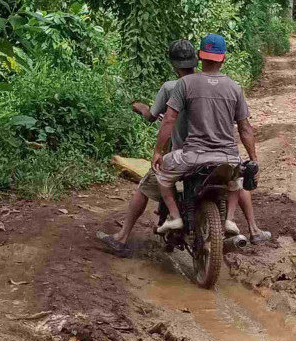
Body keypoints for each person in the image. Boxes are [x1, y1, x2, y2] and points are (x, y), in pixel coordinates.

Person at [152, 33, 270, 243]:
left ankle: (174, 216)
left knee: (162, 174)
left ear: (199, 56)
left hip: (193, 156)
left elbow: (169, 120)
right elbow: (245, 128)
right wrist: (253, 158)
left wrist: (158, 152)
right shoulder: (235, 88)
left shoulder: (185, 83)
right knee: (236, 179)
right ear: (223, 58)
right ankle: (230, 220)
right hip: (227, 156)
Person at [96, 40, 198, 254]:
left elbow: (154, 116)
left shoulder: (171, 87)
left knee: (145, 186)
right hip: (211, 152)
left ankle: (122, 238)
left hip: (182, 154)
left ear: (173, 64)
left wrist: (140, 107)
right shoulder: (208, 84)